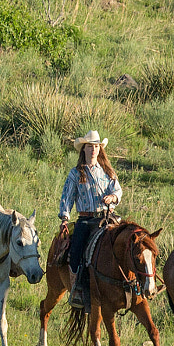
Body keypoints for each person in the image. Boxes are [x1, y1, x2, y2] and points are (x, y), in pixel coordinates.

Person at [58, 131, 122, 309]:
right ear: (83, 149)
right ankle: (78, 289)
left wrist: (113, 198)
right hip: (87, 220)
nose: (93, 149)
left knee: (128, 241)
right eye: (90, 146)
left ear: (100, 149)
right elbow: (67, 197)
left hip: (107, 217)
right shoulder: (76, 174)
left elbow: (118, 190)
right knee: (77, 251)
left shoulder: (108, 171)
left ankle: (131, 284)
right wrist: (64, 217)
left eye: (96, 146)